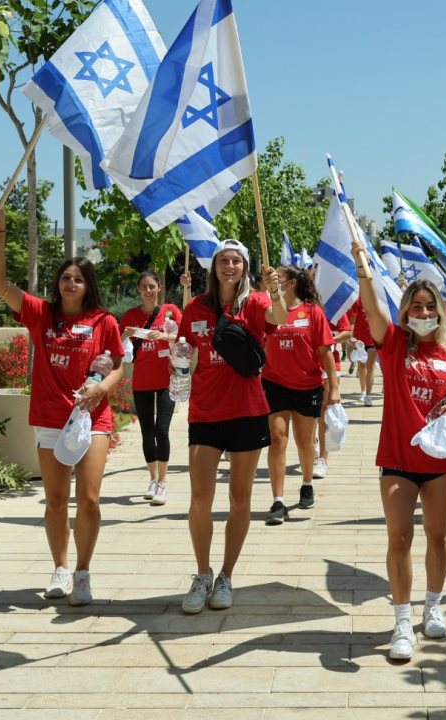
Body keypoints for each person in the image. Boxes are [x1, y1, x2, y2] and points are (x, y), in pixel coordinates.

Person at [0, 202, 124, 606]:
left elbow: (118, 367)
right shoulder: (40, 314)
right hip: (49, 419)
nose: (70, 283)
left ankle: (83, 572)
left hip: (92, 419)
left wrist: (102, 389)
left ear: (88, 285)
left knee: (91, 499)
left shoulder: (104, 322)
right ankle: (60, 568)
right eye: (65, 277)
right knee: (57, 500)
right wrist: (0, 232)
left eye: (78, 279)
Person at [350, 240, 446, 663]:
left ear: (440, 311)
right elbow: (371, 310)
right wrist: (362, 267)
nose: (423, 313)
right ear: (405, 311)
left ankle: (434, 604)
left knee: (438, 536)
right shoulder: (392, 344)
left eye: (429, 307)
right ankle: (402, 621)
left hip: (442, 460)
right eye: (415, 307)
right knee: (399, 538)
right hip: (398, 460)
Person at [178, 239, 285, 614]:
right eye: (223, 260)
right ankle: (202, 573)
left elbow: (280, 319)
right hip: (204, 413)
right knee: (199, 500)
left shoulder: (255, 302)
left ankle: (226, 575)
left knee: (240, 499)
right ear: (214, 267)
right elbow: (184, 351)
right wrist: (177, 360)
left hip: (247, 411)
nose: (229, 265)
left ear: (245, 267)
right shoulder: (195, 307)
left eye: (236, 260)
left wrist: (275, 291)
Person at [261, 265, 339, 525]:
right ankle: (278, 500)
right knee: (277, 438)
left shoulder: (313, 312)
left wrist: (335, 387)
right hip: (275, 384)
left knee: (305, 443)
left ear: (292, 283)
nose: (274, 282)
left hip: (308, 386)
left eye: (279, 278)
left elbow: (326, 353)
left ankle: (307, 483)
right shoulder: (270, 312)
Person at [119, 271, 183, 506]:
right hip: (142, 381)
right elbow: (118, 347)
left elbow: (184, 337)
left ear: (159, 288)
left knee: (162, 430)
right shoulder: (130, 315)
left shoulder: (170, 311)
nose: (148, 291)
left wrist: (166, 335)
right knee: (147, 431)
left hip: (168, 378)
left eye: (152, 286)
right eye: (144, 287)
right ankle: (153, 479)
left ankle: (163, 482)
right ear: (138, 289)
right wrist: (124, 334)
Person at [315, 308, 353, 478]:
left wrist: (330, 339)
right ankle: (315, 441)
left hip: (331, 363)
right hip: (305, 364)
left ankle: (323, 459)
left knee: (325, 410)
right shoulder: (302, 303)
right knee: (312, 414)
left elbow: (347, 332)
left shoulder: (336, 305)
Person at [348, 296, 378, 405]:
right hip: (359, 341)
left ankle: (368, 396)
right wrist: (351, 337)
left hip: (373, 340)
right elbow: (352, 321)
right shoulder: (357, 301)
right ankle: (363, 391)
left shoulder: (377, 301)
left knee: (371, 366)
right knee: (362, 366)